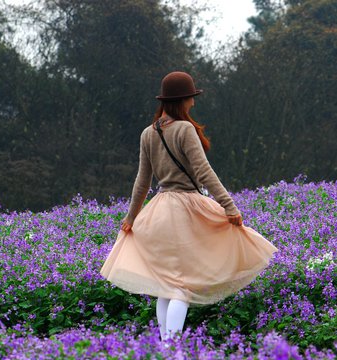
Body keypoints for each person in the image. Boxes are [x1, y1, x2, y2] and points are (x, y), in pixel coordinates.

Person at [99, 71, 278, 343]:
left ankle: (164, 346)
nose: (193, 104)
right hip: (186, 210)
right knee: (182, 286)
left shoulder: (148, 133)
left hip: (158, 213)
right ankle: (172, 349)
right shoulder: (185, 129)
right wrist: (229, 206)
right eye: (191, 99)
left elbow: (142, 182)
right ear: (182, 100)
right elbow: (204, 172)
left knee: (165, 286)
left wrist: (131, 217)